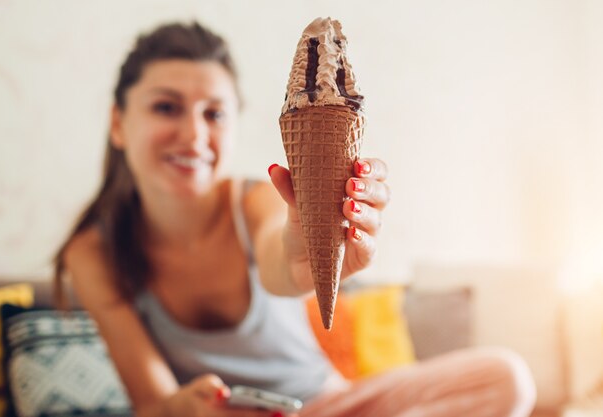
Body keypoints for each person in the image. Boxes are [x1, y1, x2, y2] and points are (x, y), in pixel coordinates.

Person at [54, 22, 536, 417]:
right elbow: (153, 404)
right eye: (166, 107)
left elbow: (282, 262)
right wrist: (185, 406)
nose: (193, 134)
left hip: (331, 406)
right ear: (118, 122)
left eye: (214, 114)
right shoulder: (94, 253)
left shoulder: (253, 204)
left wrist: (307, 251)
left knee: (504, 378)